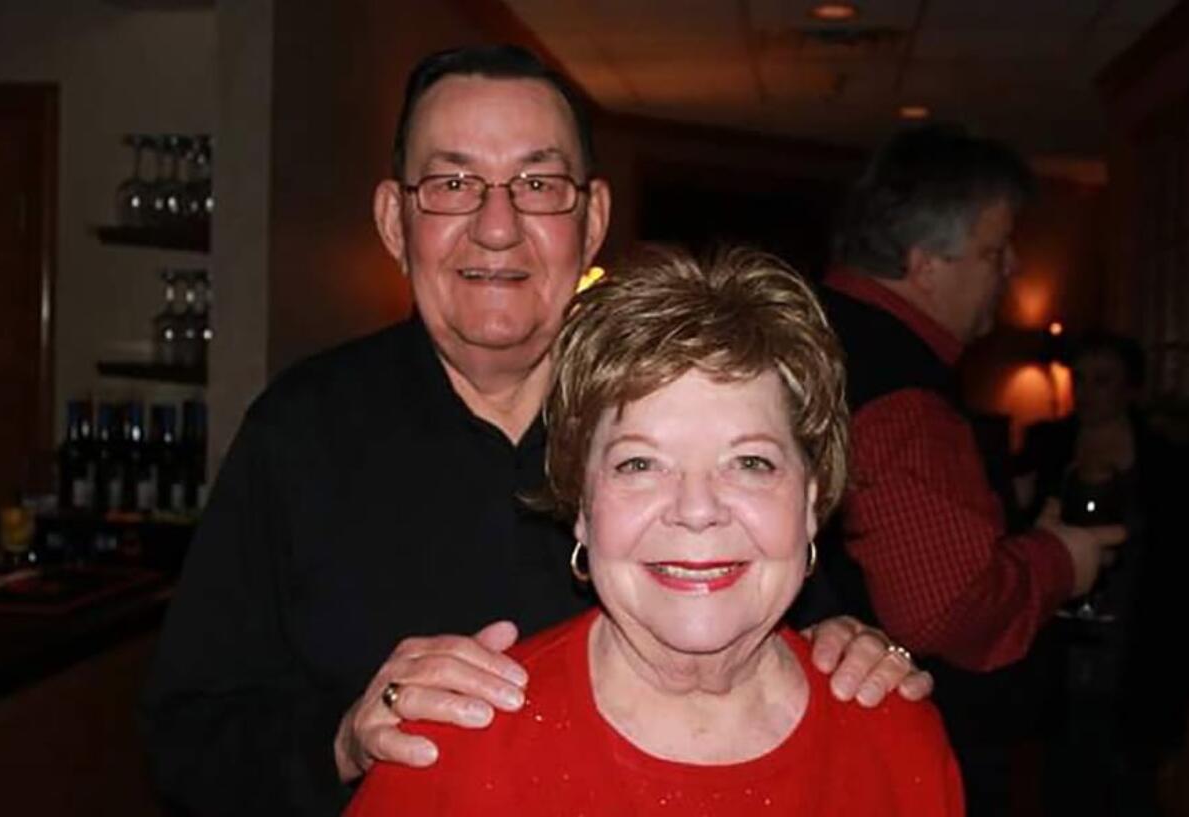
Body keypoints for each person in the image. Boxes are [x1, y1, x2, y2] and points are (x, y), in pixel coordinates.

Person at [141, 45, 932, 817]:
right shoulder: (299, 432)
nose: (496, 225)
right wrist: (344, 738)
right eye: (453, 182)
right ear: (394, 219)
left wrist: (854, 647)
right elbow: (186, 739)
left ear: (591, 220)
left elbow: (790, 609)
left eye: (538, 184)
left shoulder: (678, 414)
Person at [346, 248, 964, 817]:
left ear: (809, 502)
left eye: (750, 463)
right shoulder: (451, 750)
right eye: (639, 464)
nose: (696, 510)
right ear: (582, 505)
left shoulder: (895, 738)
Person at [815, 124, 1127, 816]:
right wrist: (1060, 560)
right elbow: (946, 608)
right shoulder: (899, 389)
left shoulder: (817, 329)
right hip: (906, 748)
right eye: (995, 250)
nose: (1012, 268)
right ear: (926, 265)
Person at [1015, 331, 1188, 817]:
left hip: (1139, 640)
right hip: (1061, 643)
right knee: (1061, 779)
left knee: (1130, 785)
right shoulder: (1047, 444)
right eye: (1081, 380)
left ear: (1130, 388)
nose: (1088, 393)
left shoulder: (1165, 458)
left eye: (1103, 381)